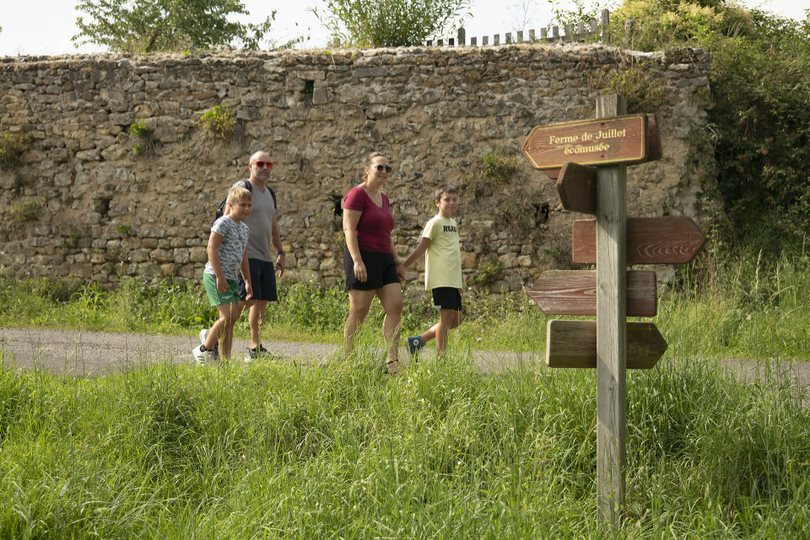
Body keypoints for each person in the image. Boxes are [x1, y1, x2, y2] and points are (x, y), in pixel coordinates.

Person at [342, 151, 406, 374]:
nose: (384, 172)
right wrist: (357, 261)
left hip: (385, 258)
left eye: (387, 168)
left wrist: (397, 260)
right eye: (379, 167)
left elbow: (386, 234)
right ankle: (348, 358)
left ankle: (392, 360)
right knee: (359, 309)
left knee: (395, 306)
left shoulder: (384, 198)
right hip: (363, 256)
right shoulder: (356, 195)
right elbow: (349, 229)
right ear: (367, 169)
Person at [235, 150, 286, 362]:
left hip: (264, 255)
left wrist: (280, 251)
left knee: (261, 302)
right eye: (260, 164)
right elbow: (230, 216)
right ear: (250, 166)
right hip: (247, 254)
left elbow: (272, 224)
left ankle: (255, 348)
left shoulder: (270, 193)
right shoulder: (242, 188)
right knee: (243, 301)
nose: (265, 168)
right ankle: (213, 337)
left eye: (269, 165)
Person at [193, 186, 253, 363]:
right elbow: (211, 247)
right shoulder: (223, 223)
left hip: (232, 278)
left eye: (250, 205)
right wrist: (219, 276)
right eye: (243, 205)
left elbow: (243, 256)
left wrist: (247, 280)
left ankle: (225, 360)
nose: (247, 208)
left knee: (232, 319)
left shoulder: (244, 229)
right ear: (231, 205)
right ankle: (204, 349)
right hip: (215, 275)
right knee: (227, 317)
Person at [402, 186, 464, 357]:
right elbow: (422, 247)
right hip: (441, 278)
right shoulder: (434, 223)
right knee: (445, 320)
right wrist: (403, 266)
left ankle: (418, 341)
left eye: (454, 199)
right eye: (447, 199)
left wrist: (459, 282)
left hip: (452, 280)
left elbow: (453, 254)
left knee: (457, 319)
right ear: (437, 203)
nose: (451, 203)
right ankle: (441, 360)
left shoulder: (452, 224)